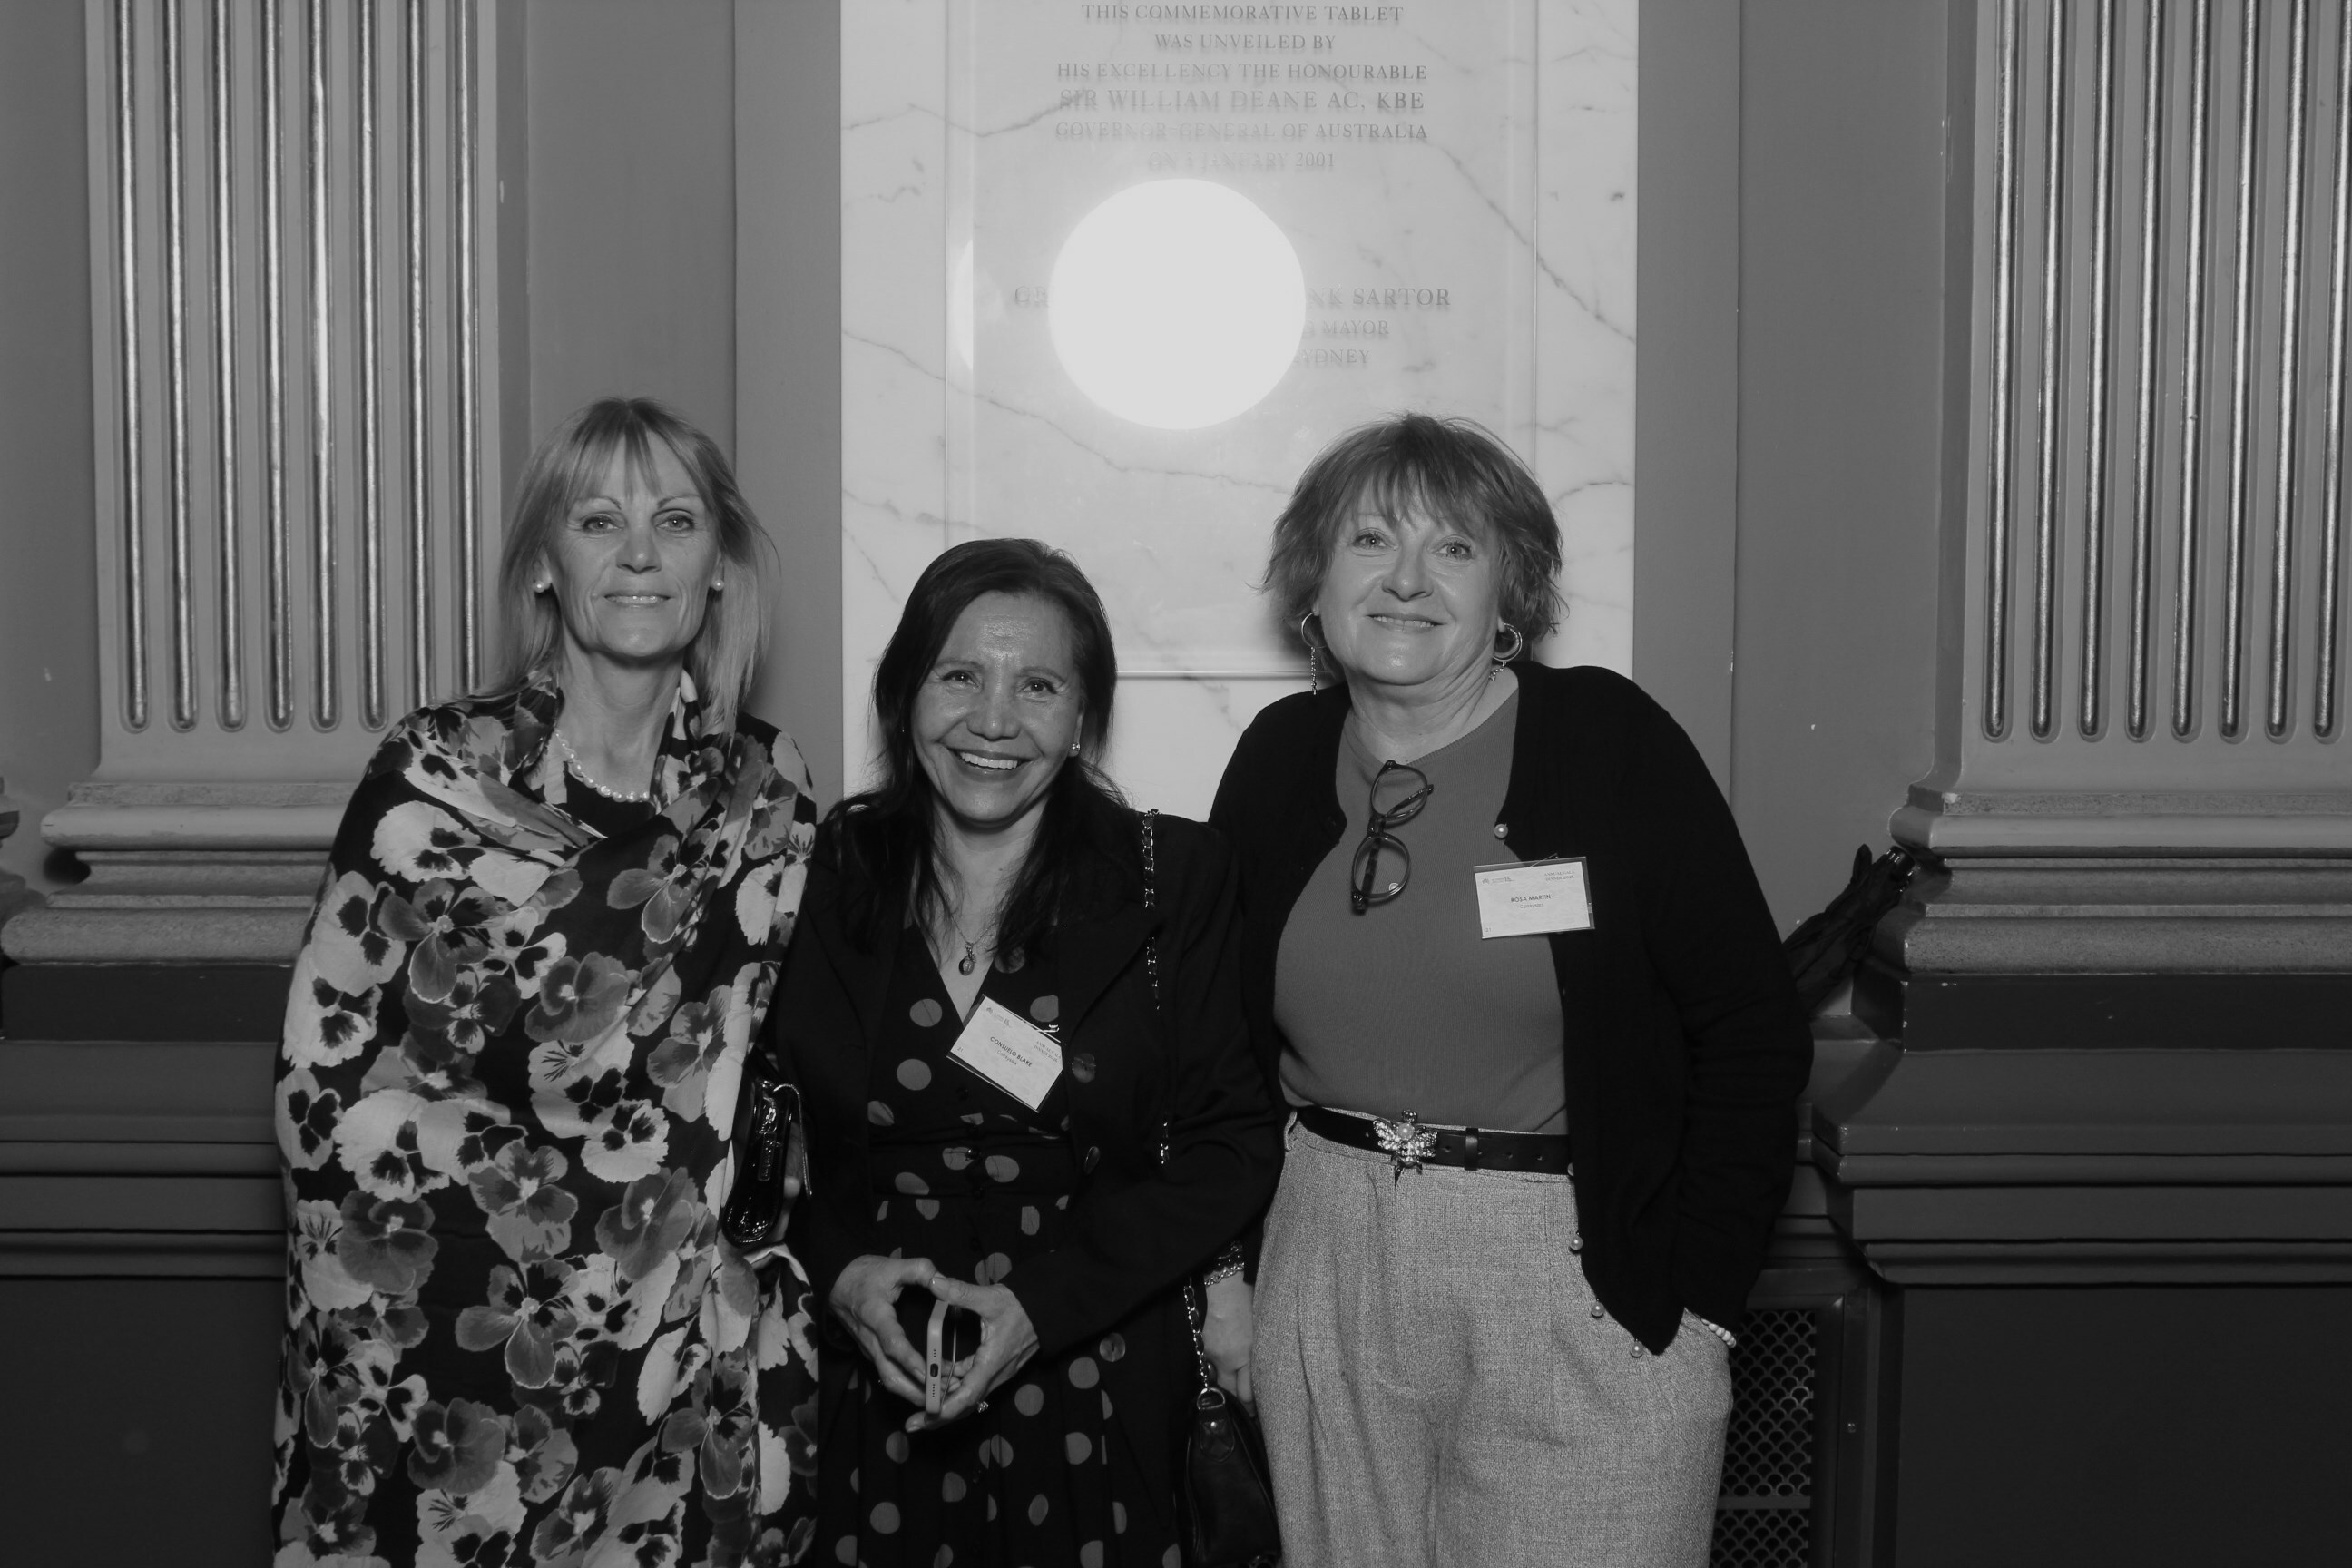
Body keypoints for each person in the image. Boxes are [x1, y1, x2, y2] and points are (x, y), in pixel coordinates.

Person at [1208, 414, 1811, 1568]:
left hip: (1577, 1271)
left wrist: (1697, 1307)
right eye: (1370, 540)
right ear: (1315, 582)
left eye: (1454, 548)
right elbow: (1215, 1047)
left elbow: (1751, 1036)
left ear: (1510, 590)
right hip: (1323, 1257)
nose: (1406, 580)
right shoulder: (1279, 756)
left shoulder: (1611, 743)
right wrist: (1229, 1275)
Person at [270, 397, 823, 1566]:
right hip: (448, 1331)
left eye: (677, 522)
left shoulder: (767, 791)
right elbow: (326, 1076)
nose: (640, 555)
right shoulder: (434, 774)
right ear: (541, 563)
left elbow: (788, 1039)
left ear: (718, 569)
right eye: (599, 520)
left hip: (678, 1336)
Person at [770, 538, 1280, 1568]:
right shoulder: (814, 878)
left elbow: (1229, 1145)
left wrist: (1042, 1311)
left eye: (1037, 685)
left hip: (1099, 1384)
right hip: (875, 1391)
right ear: (903, 696)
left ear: (1084, 713)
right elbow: (761, 1135)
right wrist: (842, 1273)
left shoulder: (1171, 878)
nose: (994, 720)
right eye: (960, 676)